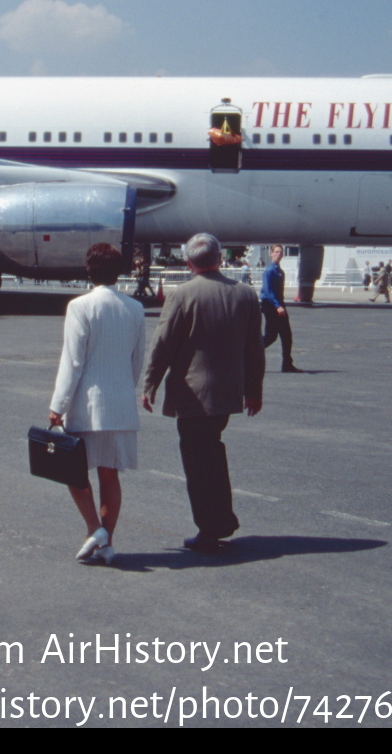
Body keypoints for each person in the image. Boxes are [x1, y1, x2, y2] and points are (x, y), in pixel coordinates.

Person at [142, 233, 265, 554]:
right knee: (212, 453)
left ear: (188, 262)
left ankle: (211, 528)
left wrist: (149, 384)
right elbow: (256, 350)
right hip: (227, 394)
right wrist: (254, 391)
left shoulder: (183, 295)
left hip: (192, 395)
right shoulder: (245, 295)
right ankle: (220, 520)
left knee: (199, 463)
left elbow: (163, 344)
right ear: (220, 258)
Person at [47, 243, 147, 566]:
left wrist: (57, 404)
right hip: (119, 405)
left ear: (88, 270)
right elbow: (137, 361)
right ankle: (106, 543)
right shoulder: (135, 308)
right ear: (119, 271)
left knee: (73, 473)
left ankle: (95, 529)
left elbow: (73, 361)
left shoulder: (80, 306)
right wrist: (122, 391)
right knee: (109, 476)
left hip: (87, 405)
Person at [259, 244, 301, 372]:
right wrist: (277, 306)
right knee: (271, 336)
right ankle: (249, 352)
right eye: (276, 252)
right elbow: (267, 290)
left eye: (280, 252)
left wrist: (280, 305)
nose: (278, 254)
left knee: (286, 335)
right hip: (271, 305)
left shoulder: (279, 271)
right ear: (271, 254)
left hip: (278, 304)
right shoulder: (269, 270)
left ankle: (287, 364)